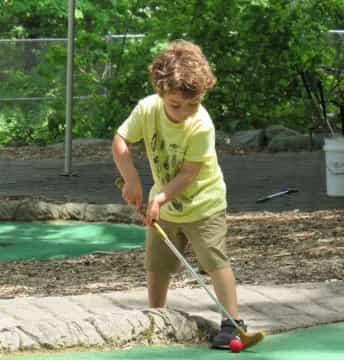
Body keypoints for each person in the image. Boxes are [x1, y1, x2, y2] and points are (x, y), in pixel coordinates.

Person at [111, 39, 246, 349]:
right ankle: (156, 318)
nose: (185, 111)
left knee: (215, 261)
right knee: (157, 264)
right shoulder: (147, 109)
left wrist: (158, 198)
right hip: (166, 204)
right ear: (161, 92)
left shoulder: (201, 125)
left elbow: (188, 173)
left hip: (204, 204)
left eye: (193, 104)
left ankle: (232, 323)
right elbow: (121, 140)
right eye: (176, 104)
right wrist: (131, 179)